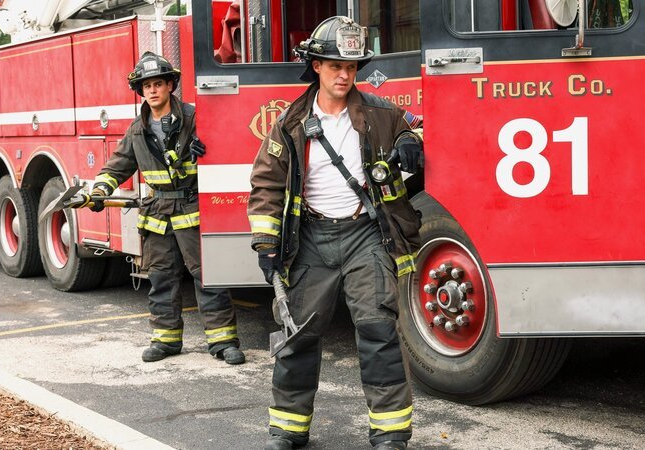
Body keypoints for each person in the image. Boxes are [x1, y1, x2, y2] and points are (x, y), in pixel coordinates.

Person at [248, 16, 424, 450]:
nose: (344, 75)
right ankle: (288, 428)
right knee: (298, 334)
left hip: (367, 235)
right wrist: (267, 244)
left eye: (351, 67)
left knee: (379, 332)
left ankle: (390, 432)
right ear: (315, 68)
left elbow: (420, 127)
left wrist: (413, 140)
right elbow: (266, 183)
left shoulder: (383, 113)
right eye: (334, 66)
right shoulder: (289, 122)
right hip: (311, 237)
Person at [78, 52, 245, 365]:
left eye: (158, 83)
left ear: (171, 85)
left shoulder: (196, 117)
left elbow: (227, 145)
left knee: (209, 276)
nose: (153, 90)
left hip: (193, 209)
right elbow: (117, 167)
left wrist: (207, 149)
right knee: (161, 279)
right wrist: (99, 191)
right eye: (147, 86)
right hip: (157, 214)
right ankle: (165, 340)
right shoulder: (137, 131)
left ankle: (224, 342)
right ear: (141, 91)